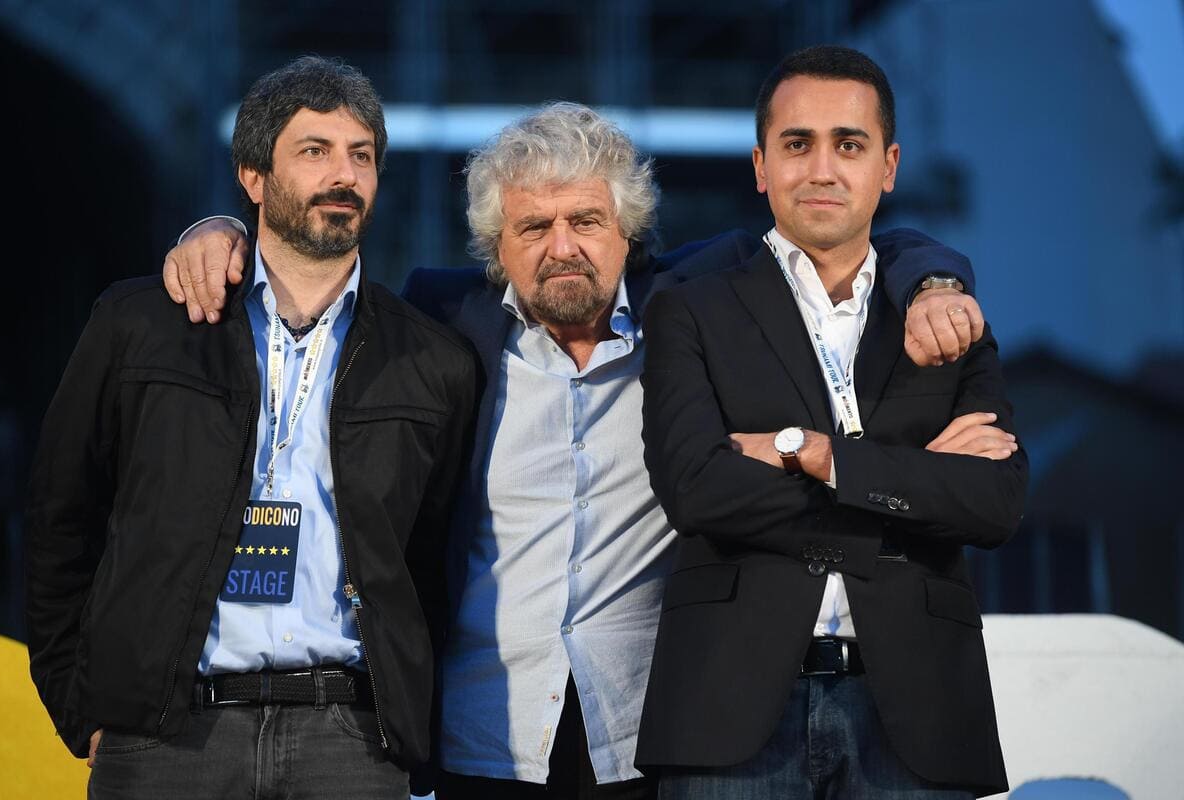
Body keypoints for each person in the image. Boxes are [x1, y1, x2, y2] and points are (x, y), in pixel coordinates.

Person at [162, 102, 983, 798]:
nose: (563, 247)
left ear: (628, 230)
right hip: (480, 736)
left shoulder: (695, 306)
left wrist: (936, 281)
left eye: (587, 220)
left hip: (646, 735)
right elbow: (310, 262)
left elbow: (851, 234)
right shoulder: (441, 321)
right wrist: (220, 230)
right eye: (534, 226)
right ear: (497, 248)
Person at [25, 56, 476, 800]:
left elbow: (431, 560)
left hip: (350, 740)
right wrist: (85, 708)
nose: (345, 174)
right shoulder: (142, 326)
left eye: (361, 155)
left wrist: (405, 724)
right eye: (315, 151)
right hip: (167, 736)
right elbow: (60, 517)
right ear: (254, 178)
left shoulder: (431, 360)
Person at [633, 45, 1027, 799]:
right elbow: (698, 491)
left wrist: (817, 456)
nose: (821, 168)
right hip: (728, 709)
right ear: (760, 166)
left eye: (848, 144)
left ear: (889, 165)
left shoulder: (945, 317)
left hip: (919, 712)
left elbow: (996, 501)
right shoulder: (690, 307)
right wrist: (912, 489)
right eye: (796, 144)